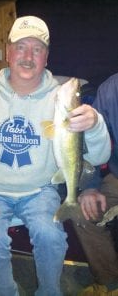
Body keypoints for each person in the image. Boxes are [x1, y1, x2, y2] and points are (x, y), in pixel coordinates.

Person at [0, 16, 111, 296]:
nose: (28, 56)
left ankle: (49, 291)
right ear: (9, 52)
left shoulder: (62, 100)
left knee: (51, 236)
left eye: (37, 49)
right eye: (21, 47)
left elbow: (96, 156)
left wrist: (95, 125)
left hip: (40, 191)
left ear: (46, 57)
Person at [72, 73, 118, 296]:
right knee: (83, 212)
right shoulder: (110, 89)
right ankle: (110, 284)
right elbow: (93, 143)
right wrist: (90, 186)